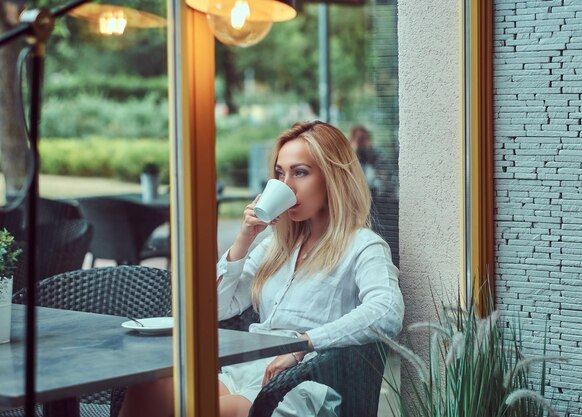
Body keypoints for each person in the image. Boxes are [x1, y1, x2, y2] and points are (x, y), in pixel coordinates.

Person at [119, 121, 404, 417]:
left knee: (193, 410)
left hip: (303, 380)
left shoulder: (362, 246)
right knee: (146, 387)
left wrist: (304, 343)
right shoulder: (275, 245)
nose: (286, 185)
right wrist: (243, 240)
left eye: (300, 172)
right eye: (280, 173)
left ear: (332, 179)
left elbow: (387, 311)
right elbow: (212, 310)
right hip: (249, 368)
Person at [349, 126, 381, 195]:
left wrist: (369, 150)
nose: (363, 142)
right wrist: (354, 149)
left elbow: (381, 172)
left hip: (372, 191)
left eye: (365, 138)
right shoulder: (349, 154)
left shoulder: (374, 153)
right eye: (360, 139)